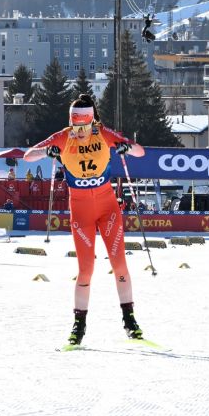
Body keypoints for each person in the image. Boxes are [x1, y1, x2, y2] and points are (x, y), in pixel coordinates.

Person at [24, 94, 146, 346]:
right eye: (76, 126)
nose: (80, 132)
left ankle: (130, 321)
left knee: (119, 264)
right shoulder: (64, 135)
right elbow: (28, 155)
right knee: (85, 270)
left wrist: (125, 147)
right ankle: (79, 325)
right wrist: (47, 151)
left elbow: (140, 151)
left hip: (107, 207)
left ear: (92, 122)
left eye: (84, 127)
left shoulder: (103, 133)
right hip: (81, 211)